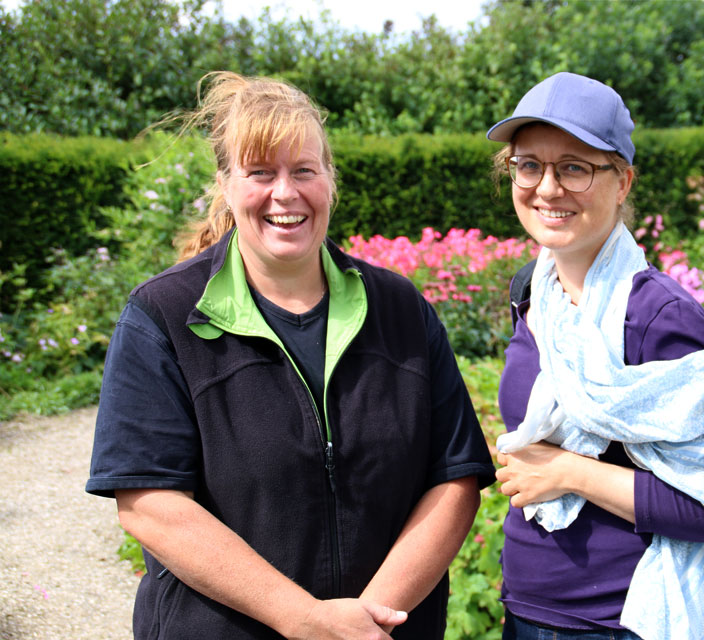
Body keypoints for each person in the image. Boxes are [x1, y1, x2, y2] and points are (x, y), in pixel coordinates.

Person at [86, 71, 496, 640]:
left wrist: (364, 623)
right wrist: (305, 621)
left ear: (330, 179)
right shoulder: (165, 315)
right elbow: (150, 501)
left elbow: (455, 480)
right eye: (260, 172)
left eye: (304, 170)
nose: (286, 193)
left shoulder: (400, 309)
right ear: (226, 186)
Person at [487, 72, 704, 640]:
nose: (547, 188)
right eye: (529, 165)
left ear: (621, 182)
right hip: (527, 605)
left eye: (574, 166)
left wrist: (573, 473)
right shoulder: (533, 293)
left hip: (617, 622)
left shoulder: (657, 317)